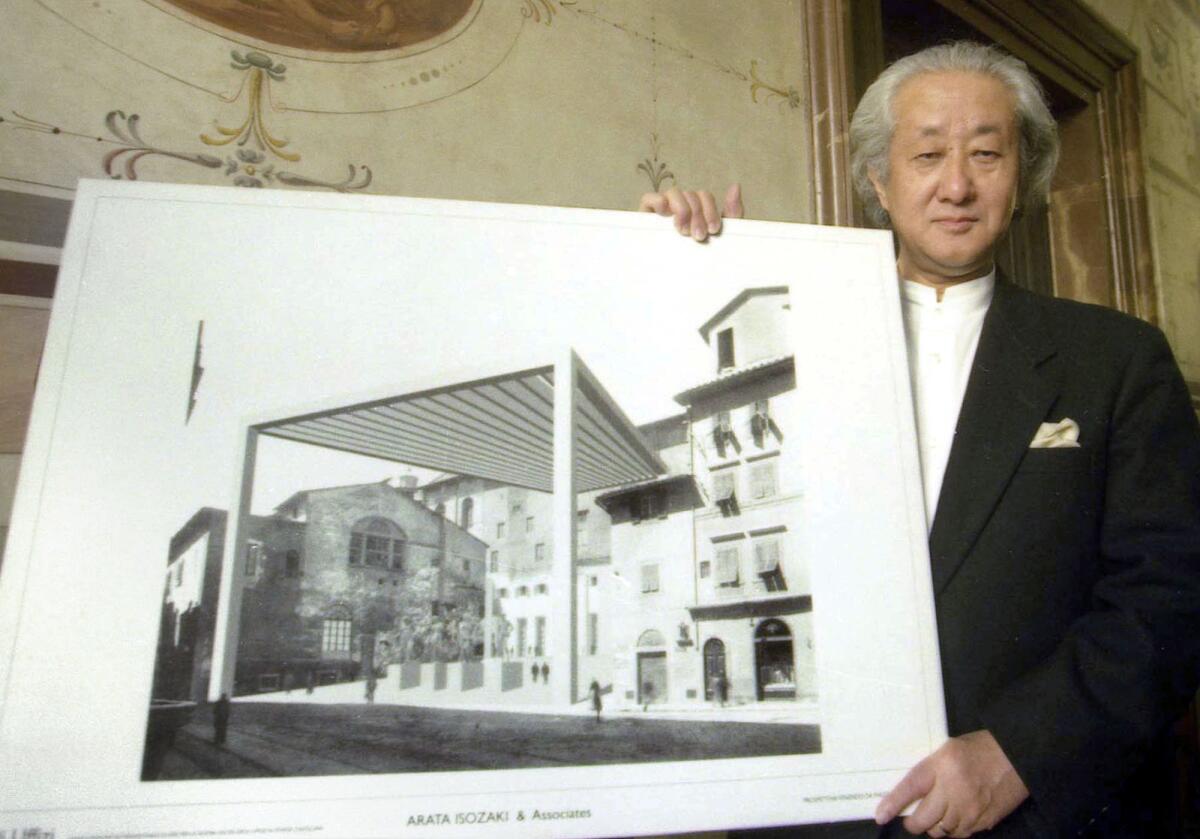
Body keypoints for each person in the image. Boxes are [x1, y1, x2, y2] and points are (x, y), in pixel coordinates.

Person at [641, 41, 1200, 838]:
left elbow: (1170, 597)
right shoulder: (805, 336)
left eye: (986, 153)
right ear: (879, 178)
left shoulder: (1116, 359)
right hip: (818, 817)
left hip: (1035, 813)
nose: (958, 185)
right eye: (928, 154)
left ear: (1024, 173)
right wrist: (664, 259)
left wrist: (1020, 753)